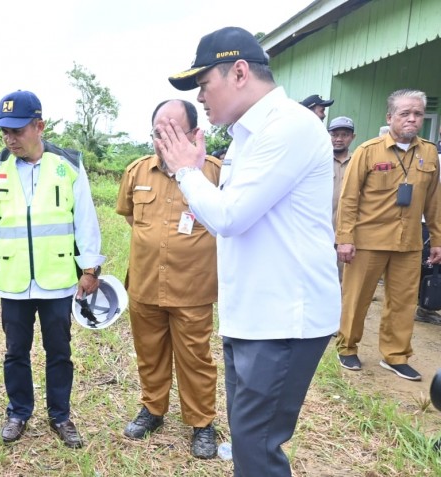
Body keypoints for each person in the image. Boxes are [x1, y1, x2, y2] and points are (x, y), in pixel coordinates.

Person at [163, 26, 340, 476]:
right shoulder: (248, 136)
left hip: (283, 317)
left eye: (205, 85)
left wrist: (186, 172)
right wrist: (199, 174)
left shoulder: (289, 127)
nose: (201, 98)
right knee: (247, 439)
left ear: (239, 72)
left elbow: (228, 217)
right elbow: (227, 216)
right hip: (255, 313)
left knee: (257, 445)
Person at [0, 90, 104, 449]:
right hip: (14, 281)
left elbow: (85, 219)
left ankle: (60, 415)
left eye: (17, 130)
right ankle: (18, 412)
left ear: (39, 126)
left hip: (58, 278)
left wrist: (90, 268)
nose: (9, 138)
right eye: (4, 132)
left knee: (59, 351)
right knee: (16, 351)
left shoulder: (68, 166)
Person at [116, 99, 221, 458]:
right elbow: (131, 218)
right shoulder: (137, 172)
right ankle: (153, 410)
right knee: (149, 353)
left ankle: (202, 423)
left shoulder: (216, 173)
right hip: (145, 285)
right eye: (159, 132)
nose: (165, 139)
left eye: (175, 131)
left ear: (195, 134)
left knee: (196, 357)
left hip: (192, 288)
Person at [335, 89, 441, 381]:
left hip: (409, 242)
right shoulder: (369, 151)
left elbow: (434, 200)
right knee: (357, 298)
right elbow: (349, 198)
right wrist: (345, 238)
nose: (412, 119)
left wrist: (437, 239)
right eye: (405, 113)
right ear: (390, 117)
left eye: (418, 114)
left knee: (404, 302)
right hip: (368, 241)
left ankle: (395, 356)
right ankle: (347, 347)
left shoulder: (429, 153)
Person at [329, 116, 356, 281]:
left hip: (347, 235)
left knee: (345, 281)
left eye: (344, 134)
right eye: (335, 134)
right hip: (320, 232)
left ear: (352, 137)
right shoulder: (319, 160)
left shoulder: (358, 161)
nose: (339, 139)